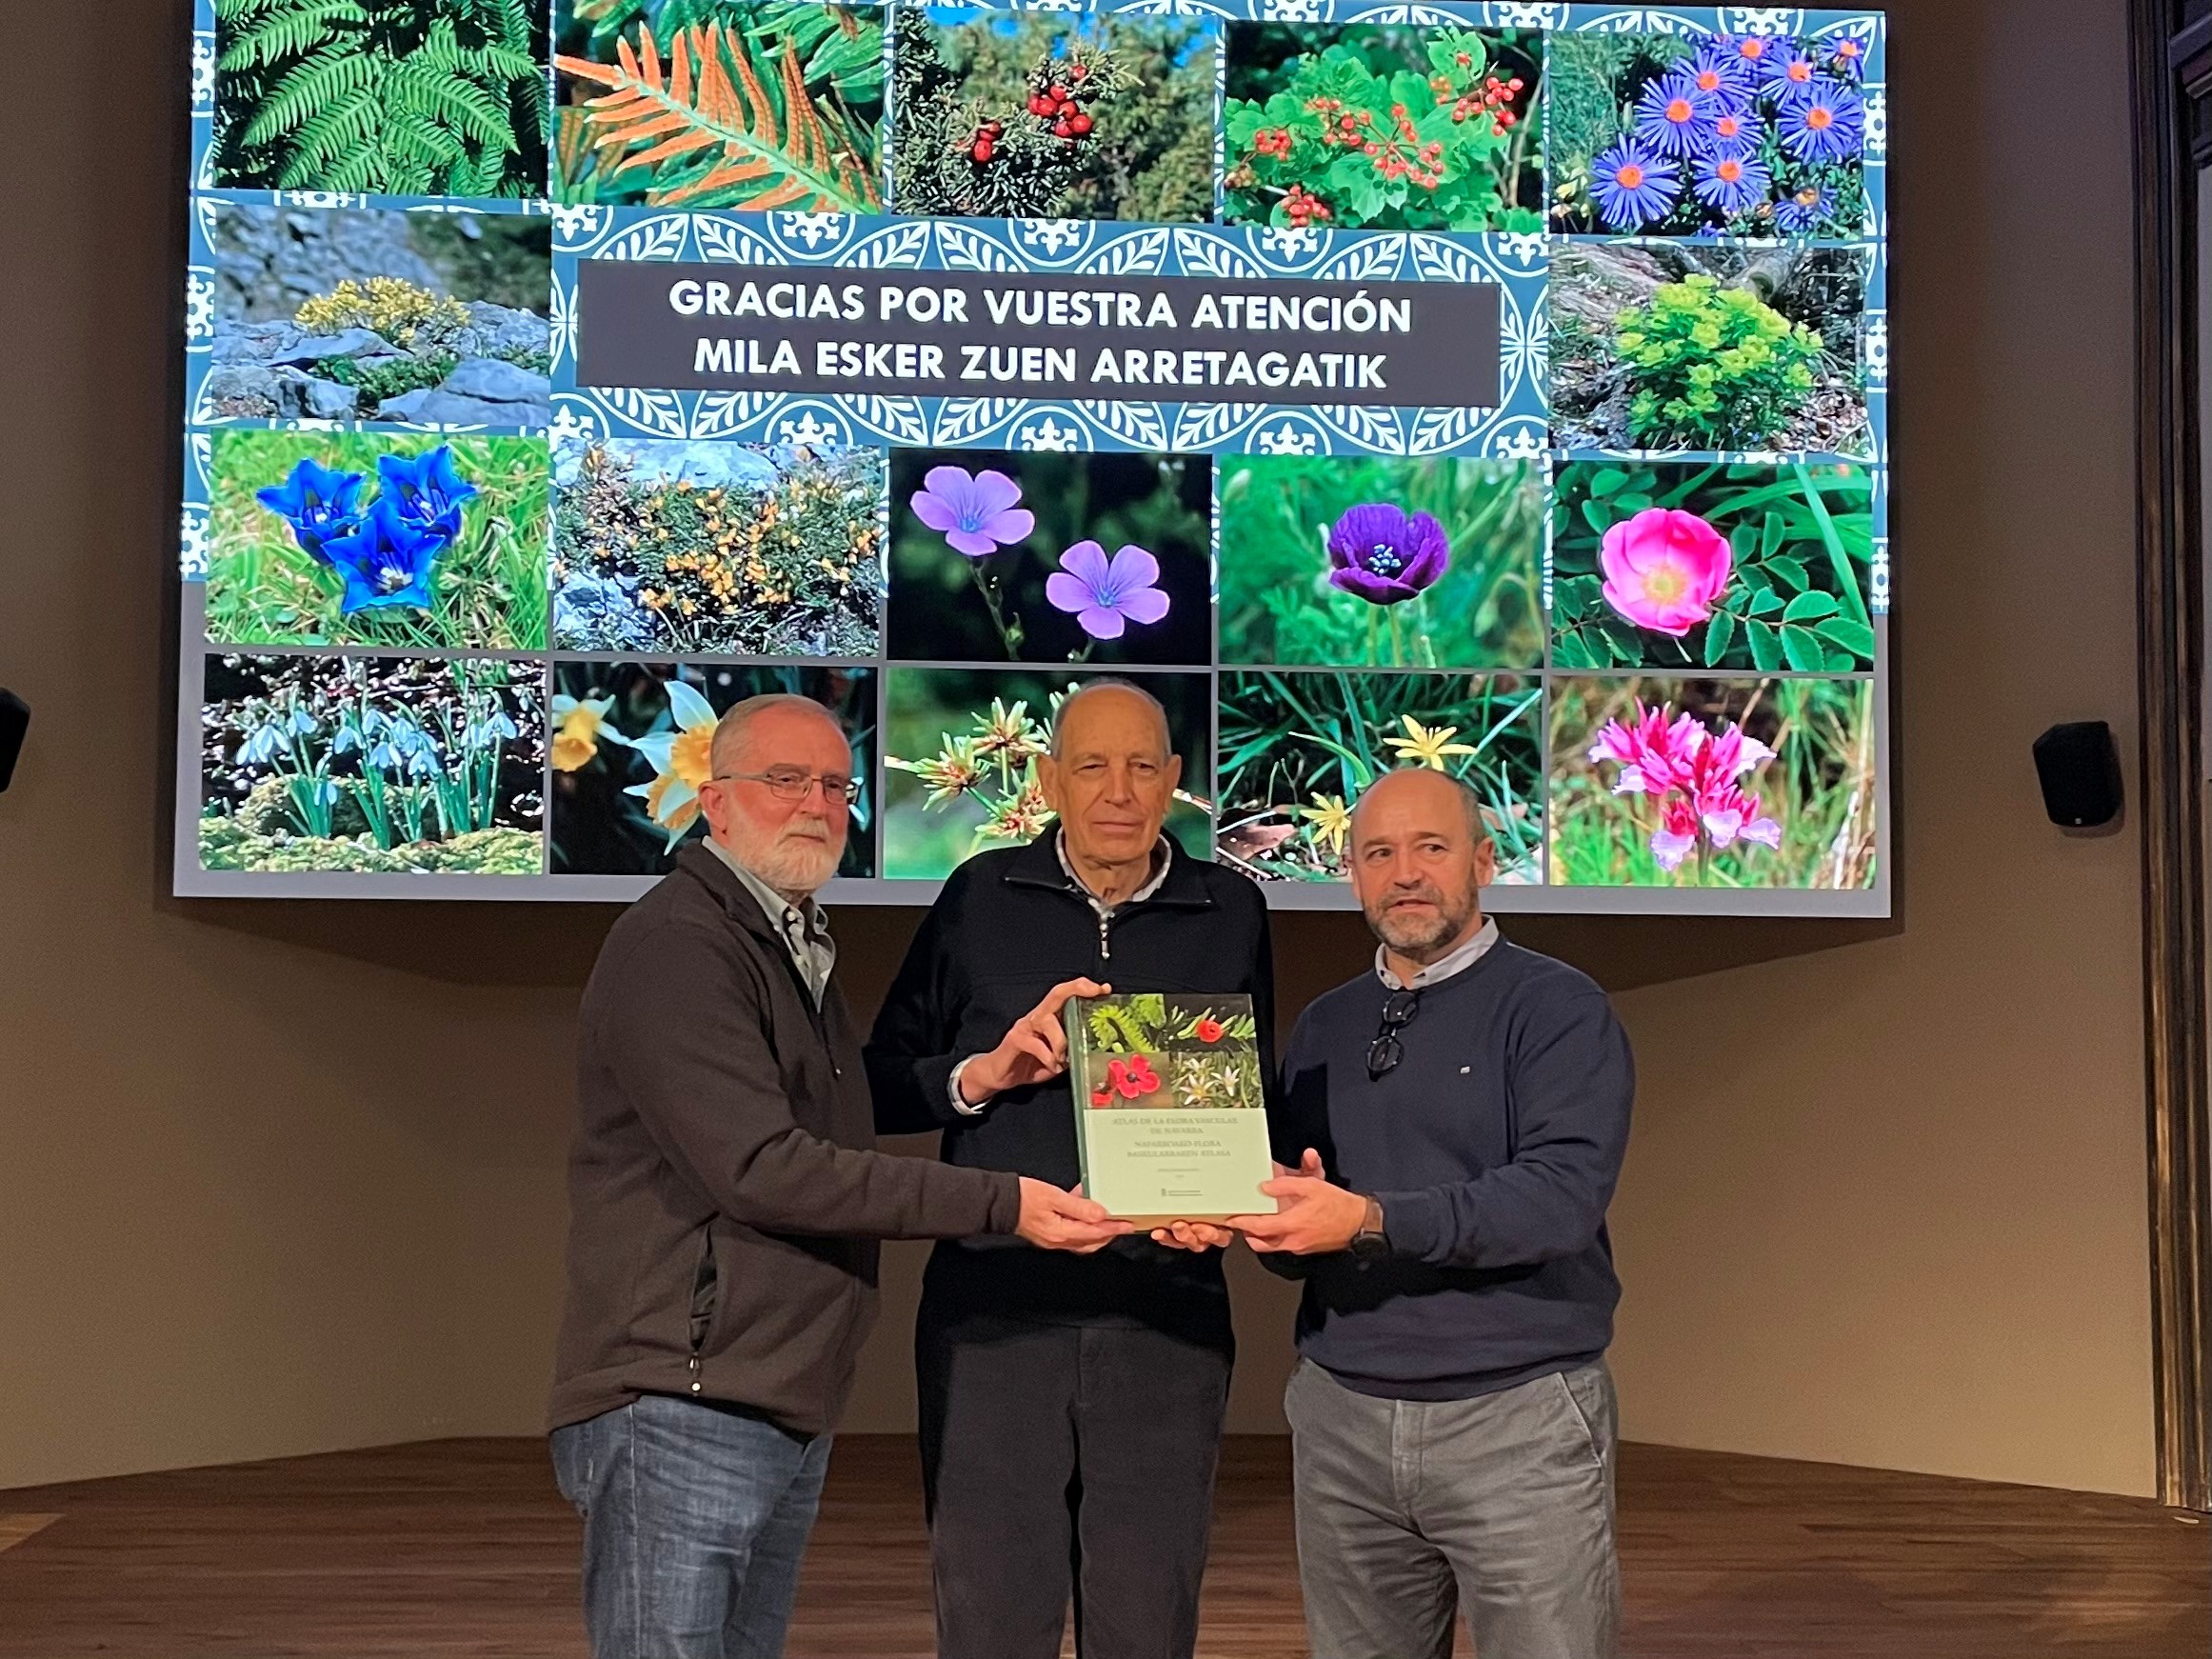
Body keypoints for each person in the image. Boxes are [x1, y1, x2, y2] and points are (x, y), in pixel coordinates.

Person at [547, 691, 1127, 1659]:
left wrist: (978, 1073)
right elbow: (764, 1167)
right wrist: (1005, 1202)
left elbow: (833, 1114)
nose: (816, 804)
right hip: (681, 1401)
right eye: (784, 781)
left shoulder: (790, 939)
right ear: (714, 800)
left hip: (769, 1396)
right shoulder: (680, 944)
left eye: (834, 784)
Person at [866, 679, 1277, 1659]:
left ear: (1175, 780)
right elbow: (880, 1084)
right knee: (990, 1616)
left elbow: (1249, 1090)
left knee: (1147, 1617)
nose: (1119, 791)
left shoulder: (1231, 906)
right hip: (993, 1310)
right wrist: (985, 1071)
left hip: (1166, 1312)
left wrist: (1229, 1201)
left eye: (1143, 766)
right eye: (1091, 765)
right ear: (1048, 778)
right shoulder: (977, 895)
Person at [1231, 766, 1635, 1659]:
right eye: (1379, 852)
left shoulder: (1557, 1007)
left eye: (1431, 847)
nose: (1404, 872)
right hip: (1341, 1419)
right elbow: (1306, 1227)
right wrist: (1249, 1218)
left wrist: (1368, 1218)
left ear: (1484, 860)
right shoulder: (1327, 1024)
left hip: (1517, 1420)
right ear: (1351, 875)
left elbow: (1557, 1200)